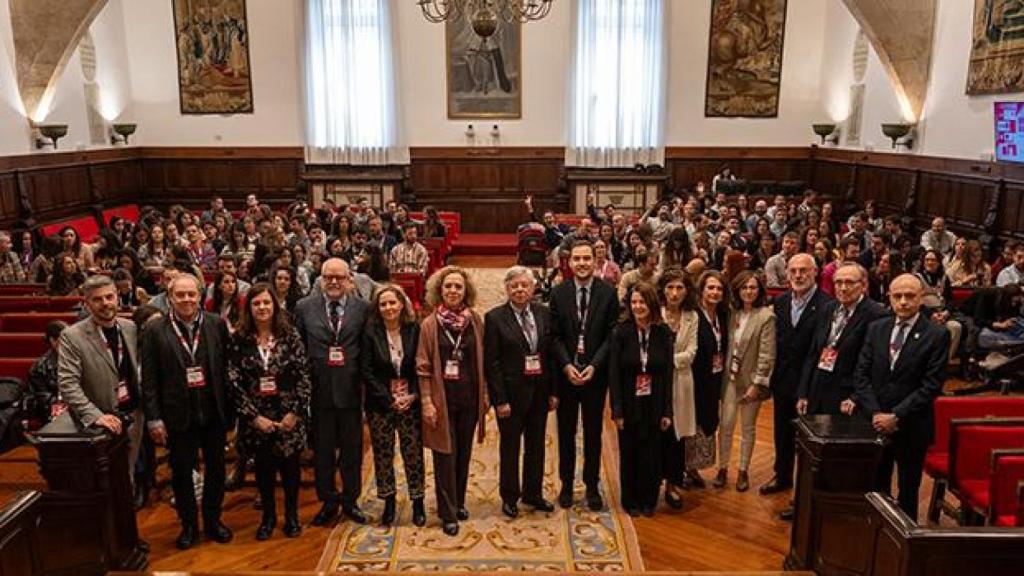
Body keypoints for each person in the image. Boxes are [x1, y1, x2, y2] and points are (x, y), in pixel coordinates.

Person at [142, 273, 235, 550]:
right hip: (176, 415)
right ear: (170, 297)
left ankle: (213, 519)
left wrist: (232, 412)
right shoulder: (155, 330)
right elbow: (149, 378)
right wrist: (154, 418)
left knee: (217, 470)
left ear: (200, 296)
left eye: (191, 294)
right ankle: (189, 525)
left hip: (213, 412)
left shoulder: (216, 324)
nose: (186, 300)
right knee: (182, 473)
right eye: (180, 295)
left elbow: (226, 369)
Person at [850, 274, 949, 521]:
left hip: (911, 425)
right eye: (897, 296)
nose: (903, 302)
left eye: (910, 296)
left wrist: (896, 416)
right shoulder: (876, 329)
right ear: (889, 298)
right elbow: (861, 375)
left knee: (908, 489)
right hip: (875, 423)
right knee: (875, 485)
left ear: (921, 298)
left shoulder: (936, 335)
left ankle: (904, 545)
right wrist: (876, 414)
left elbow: (931, 386)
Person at [227, 284, 311, 540]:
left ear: (275, 305)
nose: (262, 307)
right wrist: (253, 417)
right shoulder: (239, 339)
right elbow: (233, 381)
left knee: (291, 471)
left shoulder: (290, 335)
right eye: (256, 304)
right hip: (258, 419)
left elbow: (304, 375)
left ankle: (292, 516)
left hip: (288, 417)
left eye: (266, 302)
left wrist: (295, 413)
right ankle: (268, 518)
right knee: (263, 471)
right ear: (249, 308)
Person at [294, 258, 370, 526]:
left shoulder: (363, 309)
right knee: (323, 452)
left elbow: (367, 352)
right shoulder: (304, 308)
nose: (334, 282)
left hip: (351, 392)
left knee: (352, 450)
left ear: (349, 279)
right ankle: (328, 500)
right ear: (320, 280)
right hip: (319, 392)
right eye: (328, 277)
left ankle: (350, 500)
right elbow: (298, 350)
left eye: (339, 277)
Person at [416, 266, 488, 536]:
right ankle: (447, 513)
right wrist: (426, 401)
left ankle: (458, 501)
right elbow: (423, 367)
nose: (453, 291)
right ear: (439, 290)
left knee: (464, 454)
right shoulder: (430, 324)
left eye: (458, 286)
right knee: (445, 455)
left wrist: (484, 395)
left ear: (465, 290)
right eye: (448, 286)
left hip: (469, 399)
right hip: (441, 400)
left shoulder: (475, 321)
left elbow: (481, 362)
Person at [549, 241, 619, 511]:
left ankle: (592, 484)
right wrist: (567, 365)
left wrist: (595, 365)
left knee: (592, 433)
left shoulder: (608, 293)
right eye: (576, 259)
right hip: (567, 375)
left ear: (594, 261)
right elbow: (553, 336)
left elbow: (611, 335)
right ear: (569, 262)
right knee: (566, 432)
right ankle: (566, 484)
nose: (581, 263)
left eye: (586, 258)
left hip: (594, 375)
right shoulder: (559, 293)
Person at [484, 266, 557, 519]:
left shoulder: (544, 314)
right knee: (511, 447)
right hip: (511, 396)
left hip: (539, 391)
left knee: (537, 445)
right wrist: (499, 399)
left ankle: (533, 493)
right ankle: (510, 496)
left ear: (533, 288)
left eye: (524, 285)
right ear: (506, 289)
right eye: (514, 285)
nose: (519, 290)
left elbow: (551, 356)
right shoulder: (494, 318)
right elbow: (492, 364)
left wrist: (553, 392)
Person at [761, 254, 834, 499]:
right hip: (782, 380)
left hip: (811, 384)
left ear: (815, 273)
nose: (798, 275)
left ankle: (804, 489)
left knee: (806, 439)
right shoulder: (780, 302)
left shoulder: (828, 305)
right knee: (782, 432)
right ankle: (782, 475)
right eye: (793, 271)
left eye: (804, 270)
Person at [359, 284, 427, 527]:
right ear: (378, 308)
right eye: (383, 304)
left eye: (392, 303)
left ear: (402, 304)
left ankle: (418, 501)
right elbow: (366, 370)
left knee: (413, 454)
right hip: (381, 404)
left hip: (410, 401)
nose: (388, 308)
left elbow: (423, 366)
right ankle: (388, 501)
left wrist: (414, 395)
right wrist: (389, 399)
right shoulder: (370, 332)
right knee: (383, 453)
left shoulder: (414, 329)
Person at [57, 275, 144, 463]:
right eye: (97, 299)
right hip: (101, 422)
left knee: (129, 475)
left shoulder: (130, 328)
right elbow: (68, 384)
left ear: (117, 297)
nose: (105, 303)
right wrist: (95, 416)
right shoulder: (72, 336)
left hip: (133, 415)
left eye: (109, 297)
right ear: (86, 303)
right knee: (106, 483)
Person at [610, 282, 674, 517]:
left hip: (655, 402)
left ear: (652, 304)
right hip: (628, 402)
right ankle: (630, 499)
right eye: (634, 302)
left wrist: (667, 410)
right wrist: (617, 410)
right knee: (629, 452)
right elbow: (614, 375)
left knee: (651, 453)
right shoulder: (620, 332)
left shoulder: (663, 332)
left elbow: (668, 374)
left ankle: (649, 499)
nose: (638, 306)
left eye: (642, 302)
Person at [798, 262, 888, 417]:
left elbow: (876, 365)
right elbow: (813, 352)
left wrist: (856, 397)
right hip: (818, 390)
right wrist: (803, 392)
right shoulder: (827, 308)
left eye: (850, 282)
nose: (843, 288)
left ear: (864, 285)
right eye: (839, 282)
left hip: (848, 398)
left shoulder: (877, 315)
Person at [714, 271, 775, 492]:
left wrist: (758, 384)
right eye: (744, 288)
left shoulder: (766, 316)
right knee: (726, 425)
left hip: (750, 381)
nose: (748, 292)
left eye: (753, 288)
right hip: (729, 379)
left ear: (759, 291)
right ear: (737, 291)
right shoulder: (731, 314)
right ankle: (722, 468)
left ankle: (743, 470)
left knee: (748, 428)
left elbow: (767, 355)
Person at [686, 270, 730, 487]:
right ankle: (686, 468)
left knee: (707, 422)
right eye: (710, 287)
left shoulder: (723, 316)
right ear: (701, 290)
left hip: (714, 379)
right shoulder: (692, 315)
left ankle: (694, 468)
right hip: (693, 379)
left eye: (719, 288)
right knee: (690, 425)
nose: (715, 292)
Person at [658, 268, 696, 508]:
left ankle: (672, 485)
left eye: (679, 288)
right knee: (656, 434)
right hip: (657, 383)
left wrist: (665, 361)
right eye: (670, 287)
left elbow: (691, 352)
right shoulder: (655, 313)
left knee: (676, 436)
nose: (674, 293)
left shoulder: (692, 316)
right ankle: (653, 484)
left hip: (681, 381)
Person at [28, 320, 68, 425]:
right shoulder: (40, 367)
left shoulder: (81, 358)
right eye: (64, 340)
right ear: (52, 341)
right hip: (54, 410)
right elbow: (42, 399)